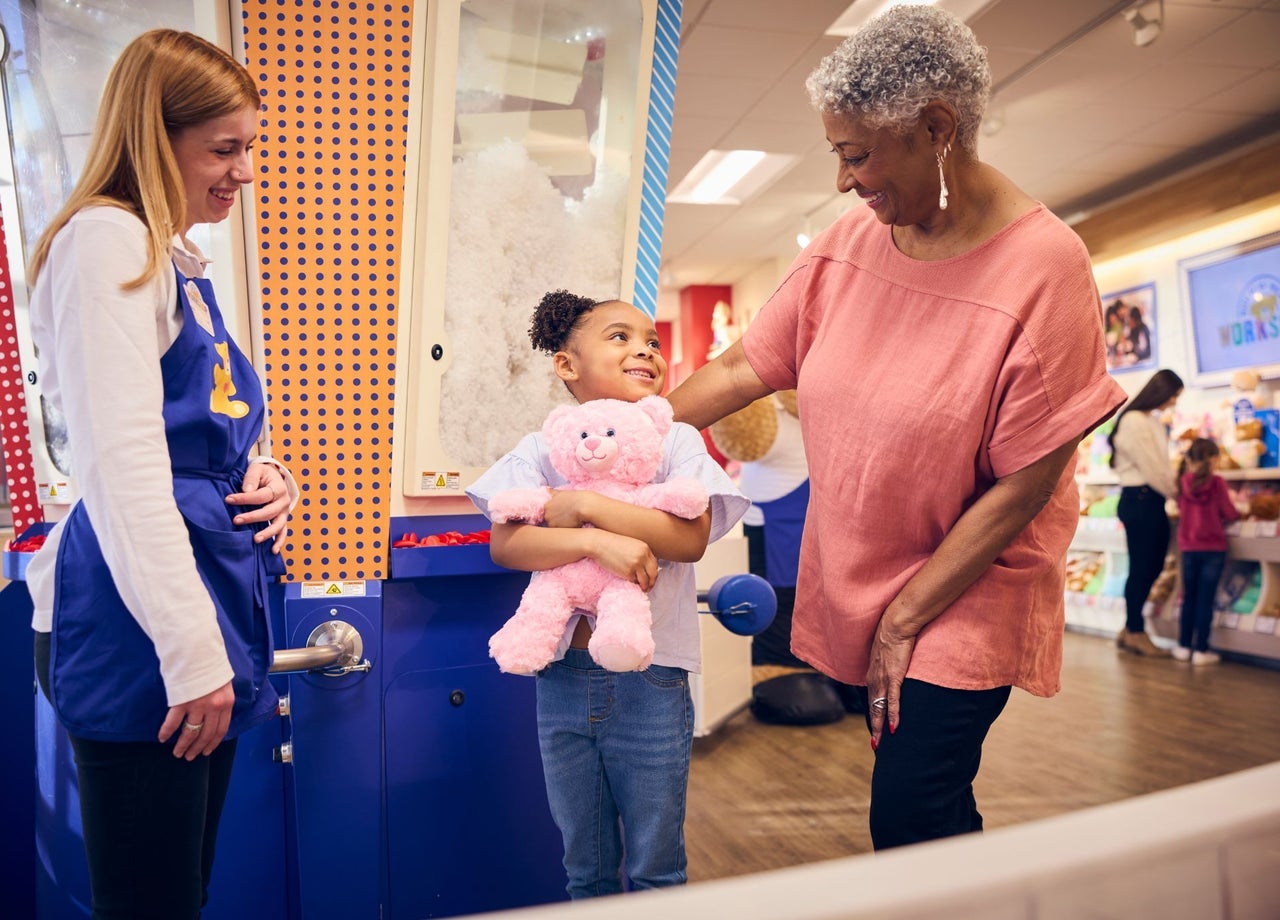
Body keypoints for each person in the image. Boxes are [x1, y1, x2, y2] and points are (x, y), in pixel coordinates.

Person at [666, 4, 1126, 851]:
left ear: (938, 127)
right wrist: (623, 427)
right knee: (932, 814)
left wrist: (910, 613)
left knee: (910, 808)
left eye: (857, 154)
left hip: (972, 579)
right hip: (869, 568)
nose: (844, 180)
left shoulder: (1045, 268)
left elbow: (1029, 480)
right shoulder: (851, 242)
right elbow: (744, 369)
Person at [25, 30, 297, 920]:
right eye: (225, 148)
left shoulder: (173, 258)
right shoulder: (106, 243)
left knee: (181, 894)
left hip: (196, 600)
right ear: (154, 136)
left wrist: (264, 475)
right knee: (152, 903)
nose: (244, 171)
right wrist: (192, 656)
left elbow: (196, 434)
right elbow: (124, 468)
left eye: (248, 146)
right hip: (138, 624)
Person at [467, 290, 747, 897]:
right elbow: (509, 544)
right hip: (562, 675)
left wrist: (586, 507)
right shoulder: (541, 449)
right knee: (584, 865)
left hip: (653, 674)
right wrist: (599, 546)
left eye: (651, 341)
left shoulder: (676, 442)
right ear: (567, 364)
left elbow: (688, 537)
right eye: (620, 337)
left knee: (657, 867)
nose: (644, 349)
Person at [1109, 368, 1184, 658]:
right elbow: (1153, 466)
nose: (1174, 402)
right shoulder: (1134, 421)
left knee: (1148, 567)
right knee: (1143, 568)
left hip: (1148, 499)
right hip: (1141, 499)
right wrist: (1177, 492)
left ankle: (1131, 629)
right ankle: (1135, 631)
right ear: (1161, 392)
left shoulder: (1149, 420)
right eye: (1174, 396)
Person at [1174, 438, 1241, 665]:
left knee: (1188, 598)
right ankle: (1201, 650)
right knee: (1205, 600)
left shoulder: (1183, 482)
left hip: (1188, 548)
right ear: (1213, 459)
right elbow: (1229, 512)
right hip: (1213, 548)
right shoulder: (1217, 483)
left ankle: (1183, 646)